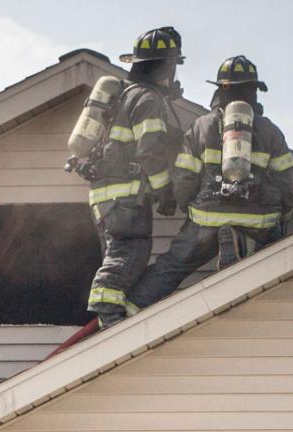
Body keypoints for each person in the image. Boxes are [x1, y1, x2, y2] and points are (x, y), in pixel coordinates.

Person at [125, 56, 293, 315]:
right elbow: (288, 184)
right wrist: (282, 216)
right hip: (258, 222)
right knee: (279, 264)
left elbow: (184, 178)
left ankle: (130, 311)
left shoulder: (201, 126)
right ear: (254, 91)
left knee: (172, 267)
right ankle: (245, 250)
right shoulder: (270, 131)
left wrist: (188, 207)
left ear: (220, 89)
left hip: (207, 219)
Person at [80, 27, 184, 328]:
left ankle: (111, 316)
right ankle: (108, 314)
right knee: (130, 251)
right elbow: (151, 149)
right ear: (166, 64)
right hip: (125, 197)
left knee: (120, 253)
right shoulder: (147, 100)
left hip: (105, 197)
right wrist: (165, 190)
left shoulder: (126, 97)